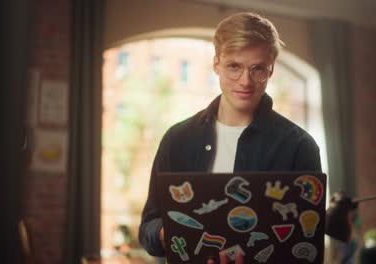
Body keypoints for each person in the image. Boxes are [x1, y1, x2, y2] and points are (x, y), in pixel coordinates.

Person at [138, 12, 322, 263]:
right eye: (234, 66)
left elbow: (306, 245)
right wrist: (166, 232)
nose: (245, 81)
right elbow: (148, 226)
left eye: (258, 69)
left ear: (271, 69)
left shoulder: (299, 146)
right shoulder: (177, 139)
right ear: (216, 64)